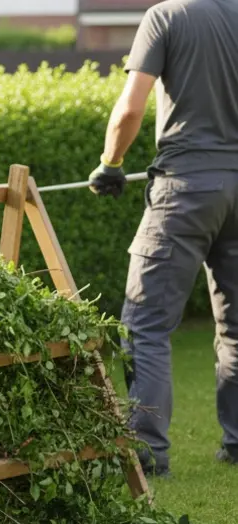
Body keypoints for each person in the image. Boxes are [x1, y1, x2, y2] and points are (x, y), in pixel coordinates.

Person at [88, 0, 238, 477]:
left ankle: (147, 456)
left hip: (185, 190)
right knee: (236, 327)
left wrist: (110, 164)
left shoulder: (166, 16)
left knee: (145, 325)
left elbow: (130, 108)